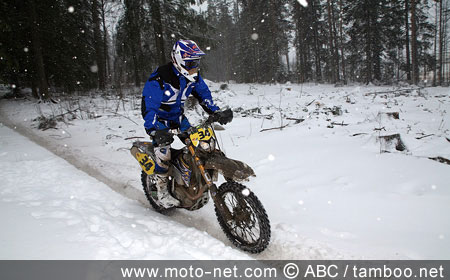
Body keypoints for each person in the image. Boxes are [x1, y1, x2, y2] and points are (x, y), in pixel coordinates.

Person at [141, 39, 233, 208]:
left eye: (196, 62)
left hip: (177, 117)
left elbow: (204, 96)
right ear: (178, 60)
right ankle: (161, 192)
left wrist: (216, 111)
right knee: (164, 154)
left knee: (198, 144)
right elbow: (149, 105)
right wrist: (154, 129)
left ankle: (191, 180)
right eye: (190, 63)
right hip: (159, 120)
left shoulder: (193, 78)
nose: (194, 67)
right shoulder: (160, 78)